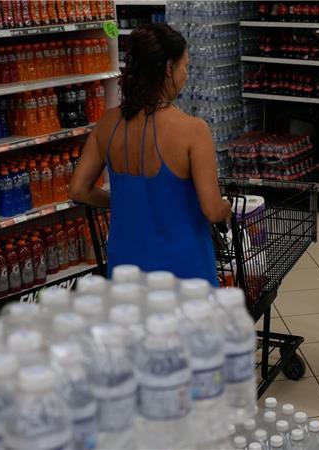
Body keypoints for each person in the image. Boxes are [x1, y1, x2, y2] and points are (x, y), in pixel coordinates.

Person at [69, 24, 231, 285]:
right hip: (183, 271)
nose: (186, 75)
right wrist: (227, 208)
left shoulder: (108, 123)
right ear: (169, 68)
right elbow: (212, 209)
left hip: (126, 266)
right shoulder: (193, 130)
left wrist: (123, 202)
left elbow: (78, 189)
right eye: (184, 66)